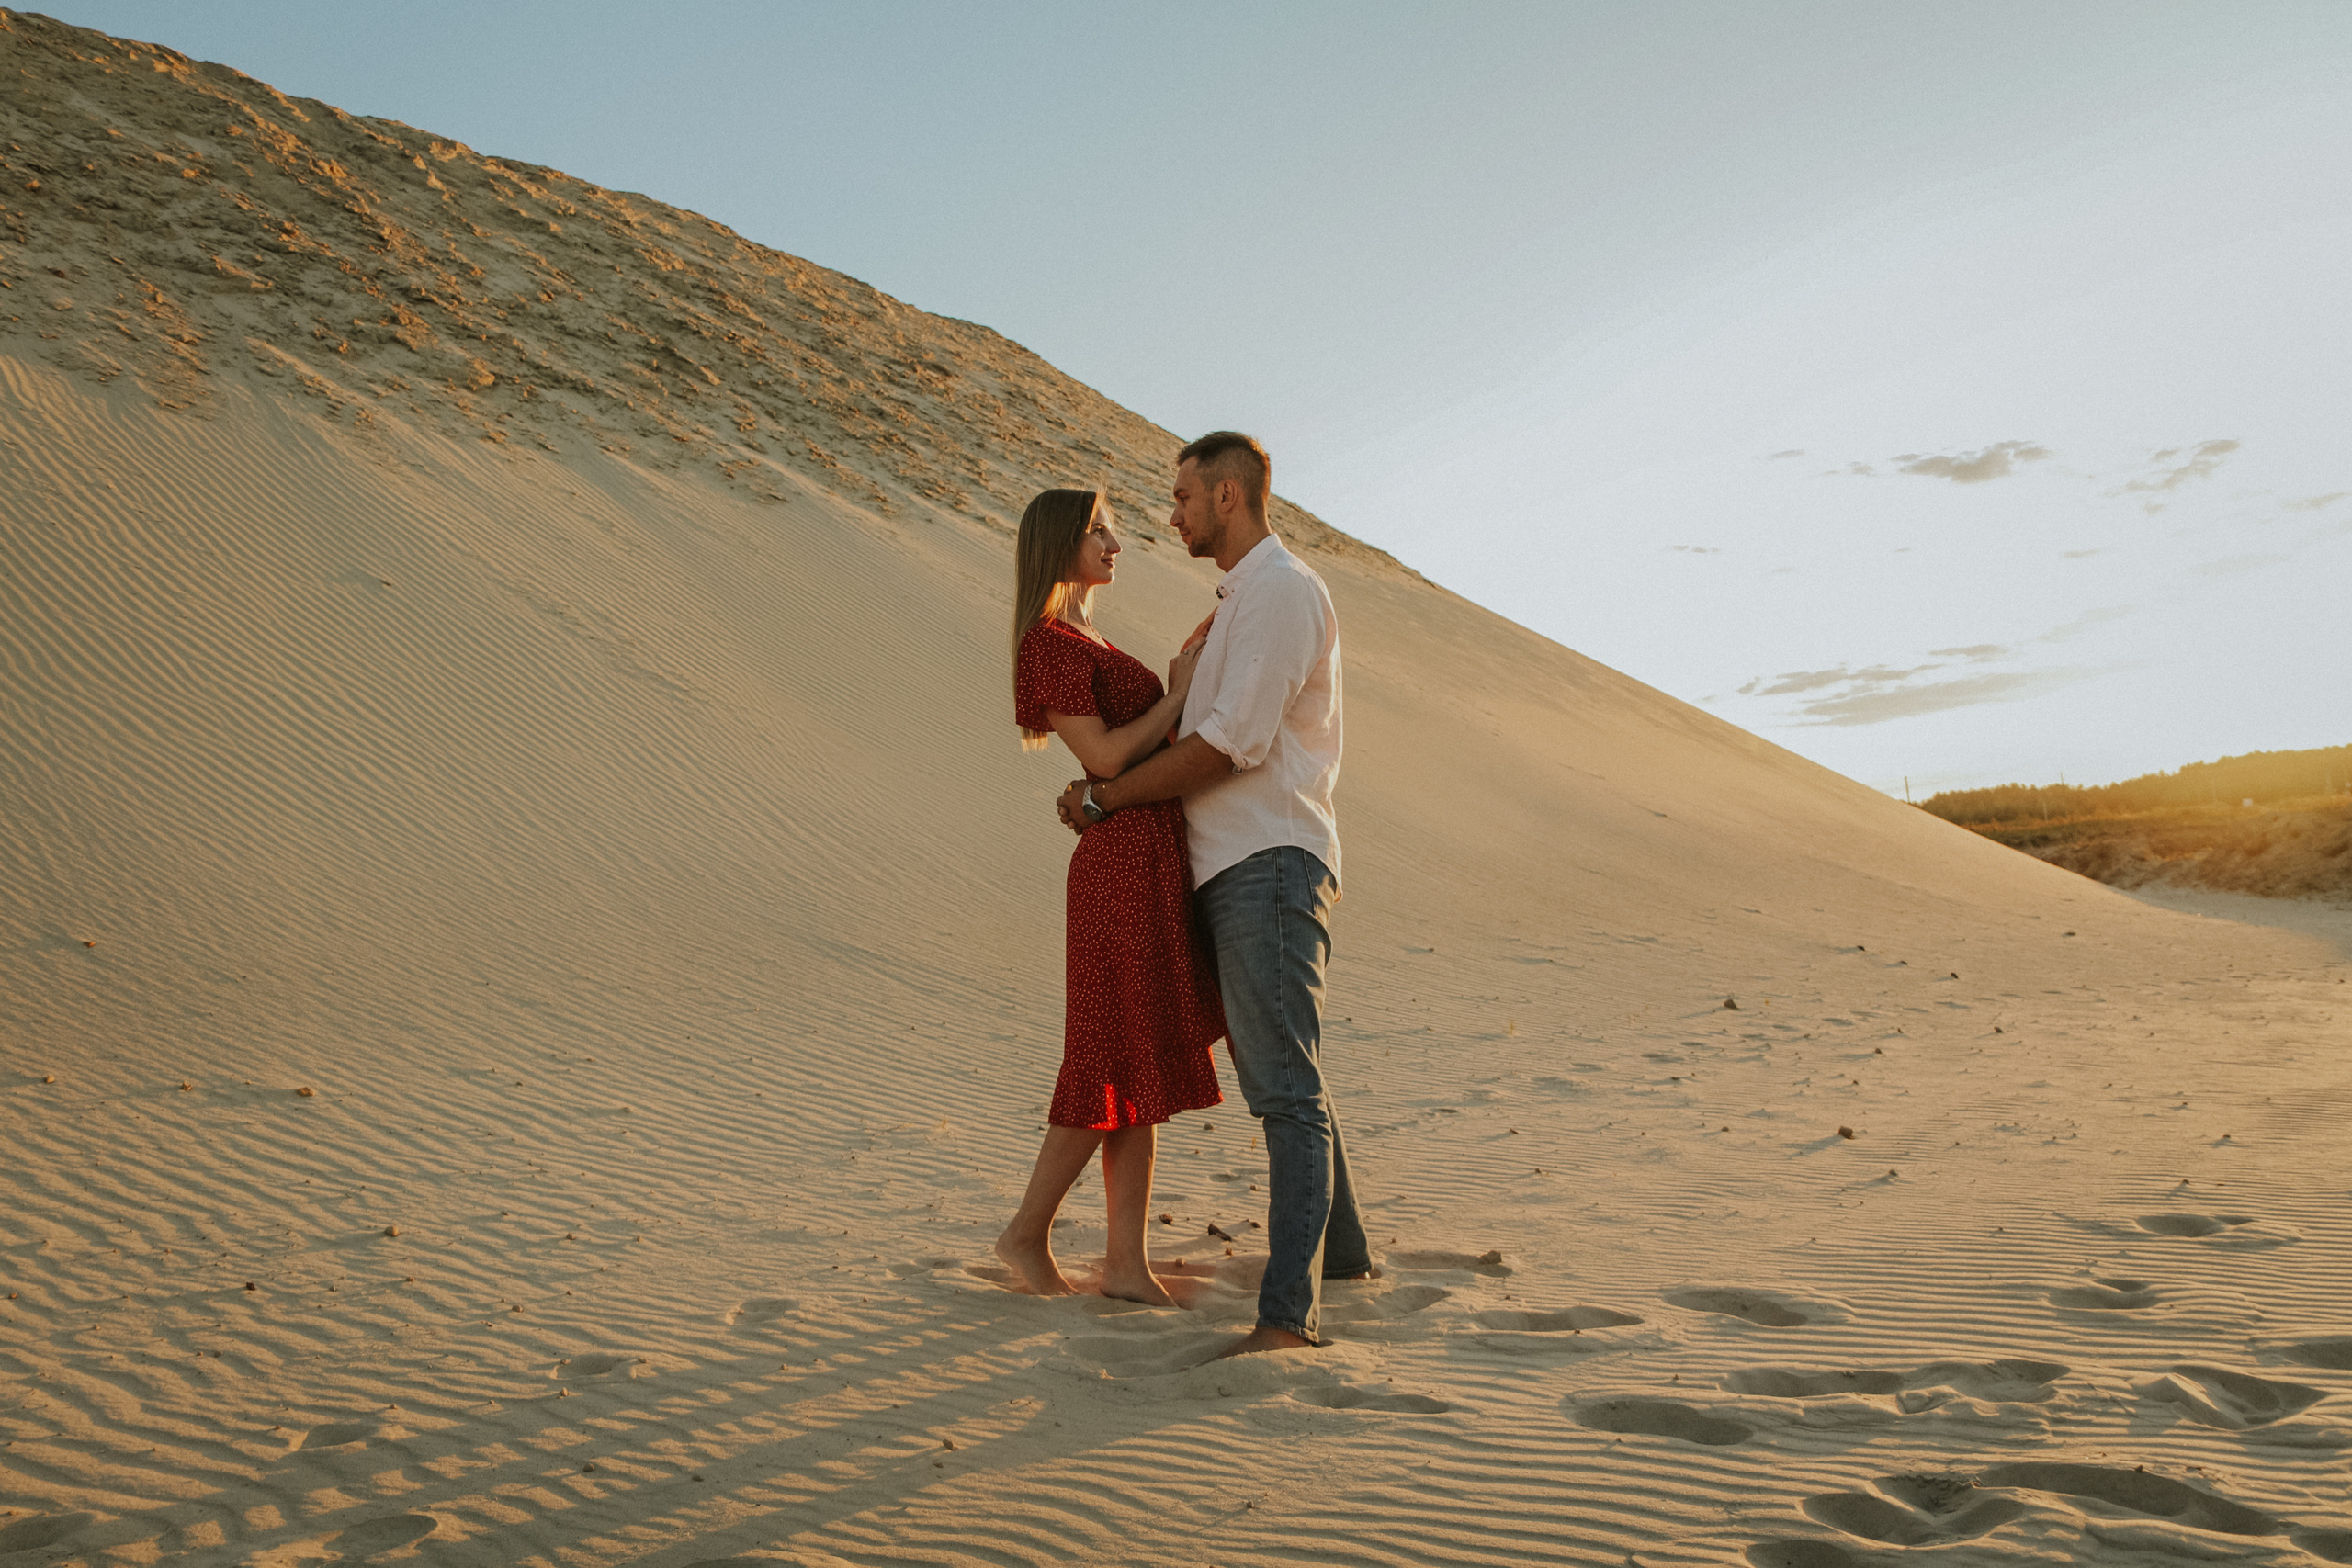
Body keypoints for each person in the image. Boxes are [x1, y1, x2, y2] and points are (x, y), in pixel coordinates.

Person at [1057, 432, 1368, 1355]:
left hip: (1268, 864)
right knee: (1289, 1072)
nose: (1173, 512)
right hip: (1230, 869)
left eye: (1184, 496)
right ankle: (1342, 1262)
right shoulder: (1238, 602)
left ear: (1228, 497)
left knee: (1284, 1094)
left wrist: (1108, 796)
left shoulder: (1279, 592)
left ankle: (1287, 1319)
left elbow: (1233, 742)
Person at [995, 487, 1229, 1307]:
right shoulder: (1050, 643)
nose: (1116, 541)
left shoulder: (1089, 636)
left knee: (1138, 1063)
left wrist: (1173, 686)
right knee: (1105, 1057)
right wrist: (1175, 690)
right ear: (1061, 541)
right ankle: (1026, 1233)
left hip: (1150, 858)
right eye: (1098, 529)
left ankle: (1125, 1262)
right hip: (1117, 870)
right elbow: (1102, 757)